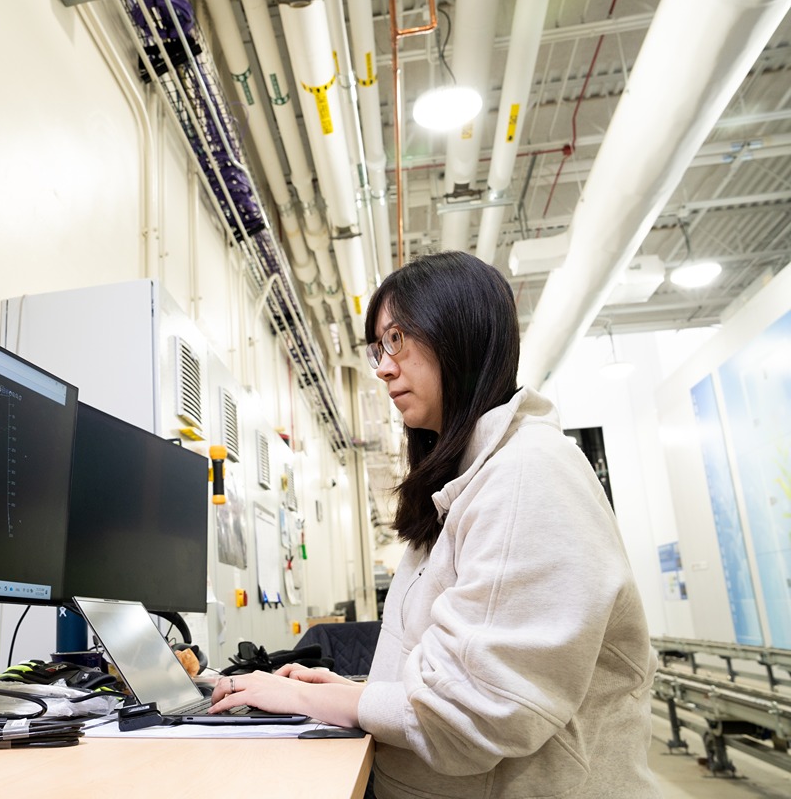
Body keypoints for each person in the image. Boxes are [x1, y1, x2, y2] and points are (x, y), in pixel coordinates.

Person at [209, 252, 660, 797]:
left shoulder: (528, 474)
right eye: (378, 348)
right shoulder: (471, 483)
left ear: (459, 335)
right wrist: (349, 691)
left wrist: (307, 698)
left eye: (396, 339)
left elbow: (477, 712)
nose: (382, 367)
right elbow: (446, 672)